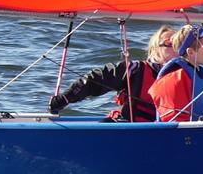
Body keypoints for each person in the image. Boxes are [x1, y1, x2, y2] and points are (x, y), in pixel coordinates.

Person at [47, 25, 175, 121]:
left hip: (169, 129)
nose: (176, 46)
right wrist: (65, 98)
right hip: (131, 128)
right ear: (155, 49)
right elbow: (98, 79)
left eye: (178, 42)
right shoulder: (136, 69)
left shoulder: (186, 73)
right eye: (170, 43)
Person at [148, 24, 203, 122]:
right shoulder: (175, 77)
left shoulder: (199, 74)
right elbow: (173, 118)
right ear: (191, 52)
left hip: (197, 129)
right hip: (175, 134)